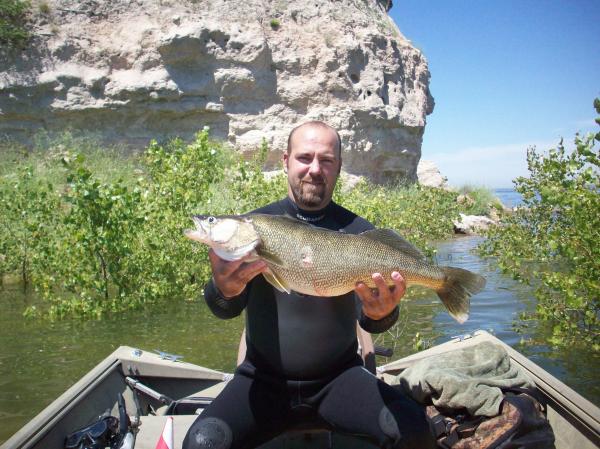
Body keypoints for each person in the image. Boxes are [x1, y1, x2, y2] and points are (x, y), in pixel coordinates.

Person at [183, 121, 435, 449]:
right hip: (262, 381)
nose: (314, 169)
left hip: (339, 380)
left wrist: (383, 312)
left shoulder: (360, 233)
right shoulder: (252, 226)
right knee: (201, 443)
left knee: (415, 432)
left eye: (326, 160)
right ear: (285, 160)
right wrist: (224, 289)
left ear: (339, 167)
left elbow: (372, 320)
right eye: (304, 158)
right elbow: (222, 308)